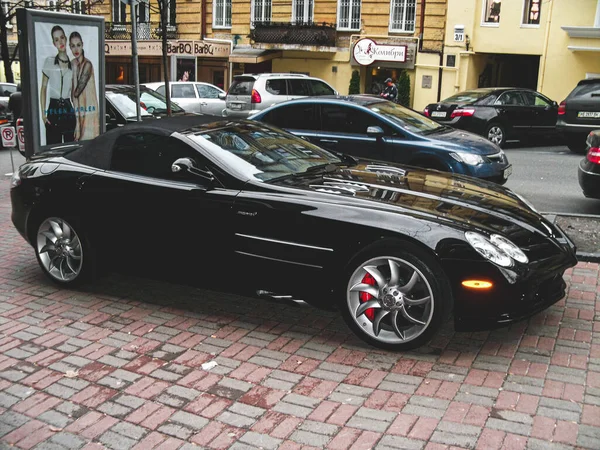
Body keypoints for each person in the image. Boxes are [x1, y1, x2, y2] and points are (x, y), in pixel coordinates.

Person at [40, 25, 76, 145]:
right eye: (56, 39)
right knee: (53, 148)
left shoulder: (73, 65)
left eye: (61, 37)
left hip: (68, 109)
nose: (60, 41)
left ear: (65, 39)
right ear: (53, 43)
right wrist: (44, 115)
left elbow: (74, 94)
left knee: (69, 148)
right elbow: (43, 89)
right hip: (53, 108)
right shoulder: (49, 62)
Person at [69, 31, 99, 141]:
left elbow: (77, 91)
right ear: (69, 47)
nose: (76, 49)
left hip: (89, 110)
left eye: (78, 45)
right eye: (73, 46)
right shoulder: (73, 63)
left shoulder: (87, 65)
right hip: (78, 110)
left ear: (82, 45)